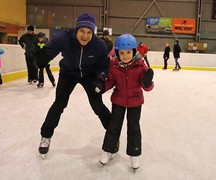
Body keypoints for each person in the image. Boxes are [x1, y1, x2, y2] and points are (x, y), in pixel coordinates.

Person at [38, 13, 112, 158]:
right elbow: (51, 49)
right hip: (68, 73)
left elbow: (104, 66)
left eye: (89, 32)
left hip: (89, 75)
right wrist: (43, 56)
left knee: (97, 104)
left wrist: (100, 78)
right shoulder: (65, 38)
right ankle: (45, 136)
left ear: (93, 33)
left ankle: (112, 134)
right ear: (76, 30)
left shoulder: (99, 45)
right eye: (82, 31)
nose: (85, 35)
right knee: (59, 104)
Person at [98, 34, 154, 171]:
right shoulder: (114, 66)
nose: (125, 55)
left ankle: (134, 153)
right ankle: (109, 150)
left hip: (135, 102)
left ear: (134, 51)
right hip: (118, 101)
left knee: (134, 128)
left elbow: (147, 87)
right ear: (117, 52)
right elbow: (110, 82)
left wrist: (147, 82)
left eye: (128, 52)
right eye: (122, 53)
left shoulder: (141, 66)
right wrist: (101, 86)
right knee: (114, 126)